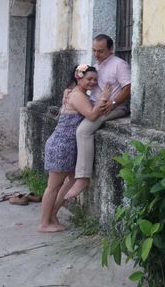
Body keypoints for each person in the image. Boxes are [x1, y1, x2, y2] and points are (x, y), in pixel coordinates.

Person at [38, 65, 110, 233]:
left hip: (68, 145)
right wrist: (104, 99)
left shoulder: (76, 92)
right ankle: (44, 223)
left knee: (71, 180)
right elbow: (92, 115)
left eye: (94, 79)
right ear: (79, 78)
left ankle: (52, 215)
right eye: (88, 79)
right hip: (61, 145)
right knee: (53, 186)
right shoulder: (77, 95)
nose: (92, 82)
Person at [64, 34, 131, 199]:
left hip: (114, 108)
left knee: (83, 131)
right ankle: (72, 172)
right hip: (95, 106)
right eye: (94, 50)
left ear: (110, 49)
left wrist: (113, 103)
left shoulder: (119, 65)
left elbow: (129, 87)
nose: (96, 54)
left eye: (100, 51)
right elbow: (85, 83)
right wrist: (69, 89)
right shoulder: (96, 66)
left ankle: (83, 177)